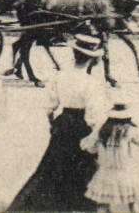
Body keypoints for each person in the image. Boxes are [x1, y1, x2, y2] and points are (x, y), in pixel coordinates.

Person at [8, 33, 110, 212]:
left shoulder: (60, 76)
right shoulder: (92, 83)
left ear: (74, 54)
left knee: (51, 167)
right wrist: (96, 134)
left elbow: (49, 106)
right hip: (81, 126)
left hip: (62, 123)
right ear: (92, 59)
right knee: (82, 170)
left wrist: (53, 125)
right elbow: (94, 115)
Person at [83, 97, 139, 213]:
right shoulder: (129, 130)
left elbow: (88, 145)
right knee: (132, 203)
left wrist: (98, 150)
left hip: (106, 171)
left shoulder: (103, 129)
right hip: (124, 171)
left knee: (103, 203)